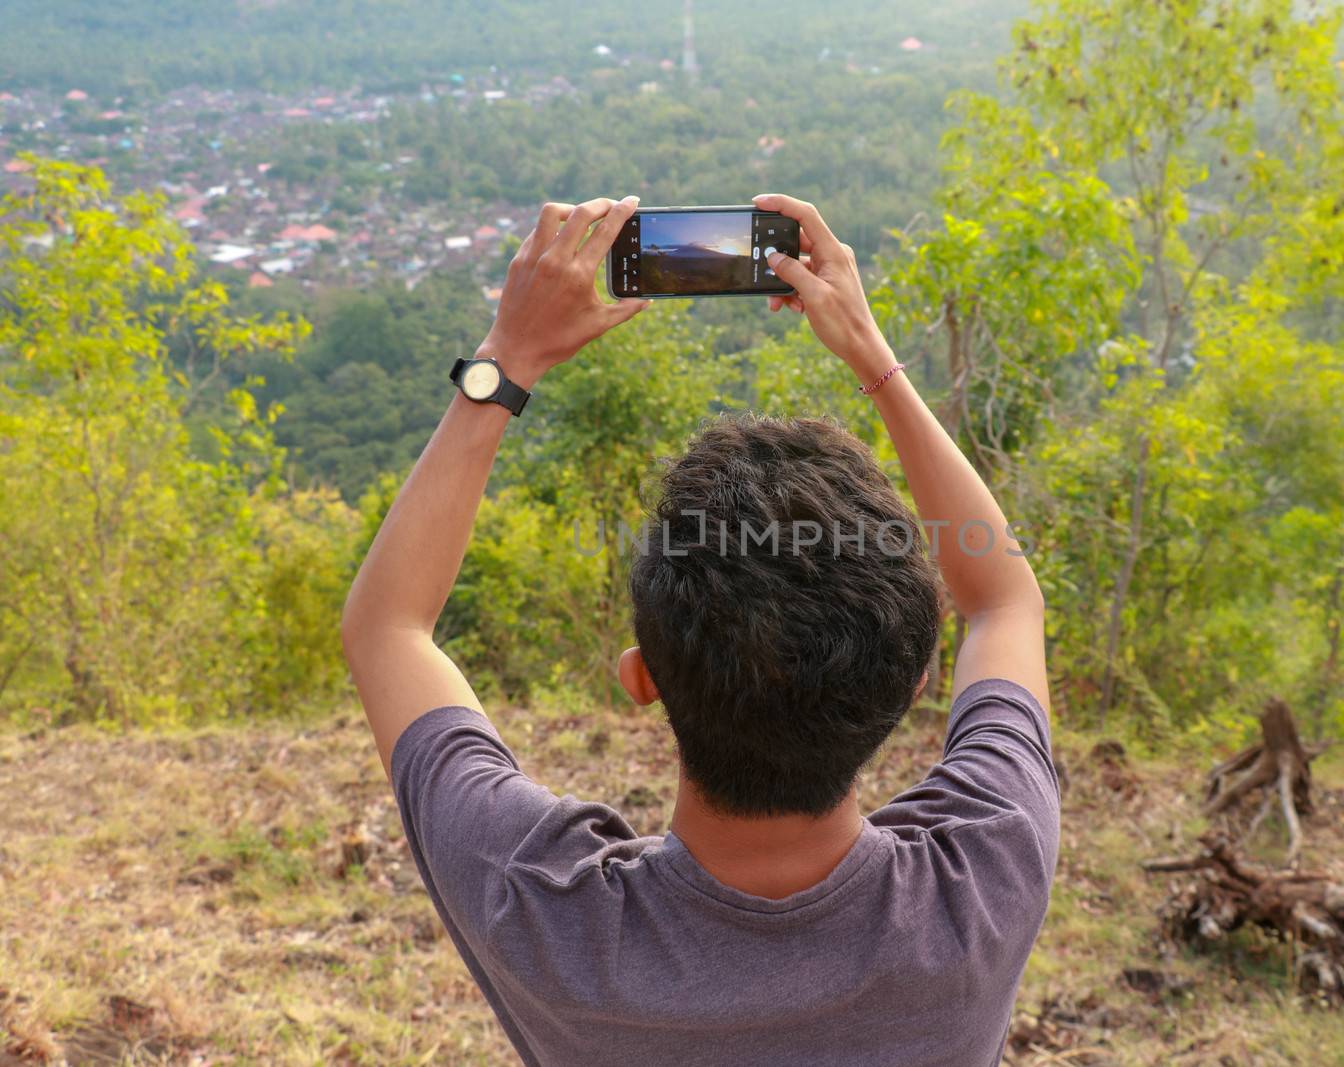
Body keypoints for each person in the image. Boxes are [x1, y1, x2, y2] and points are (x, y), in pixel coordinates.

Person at [341, 193, 1059, 1066]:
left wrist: (507, 359)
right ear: (918, 681)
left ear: (642, 678)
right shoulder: (982, 886)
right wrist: (874, 361)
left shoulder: (544, 912)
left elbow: (388, 629)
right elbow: (1005, 600)